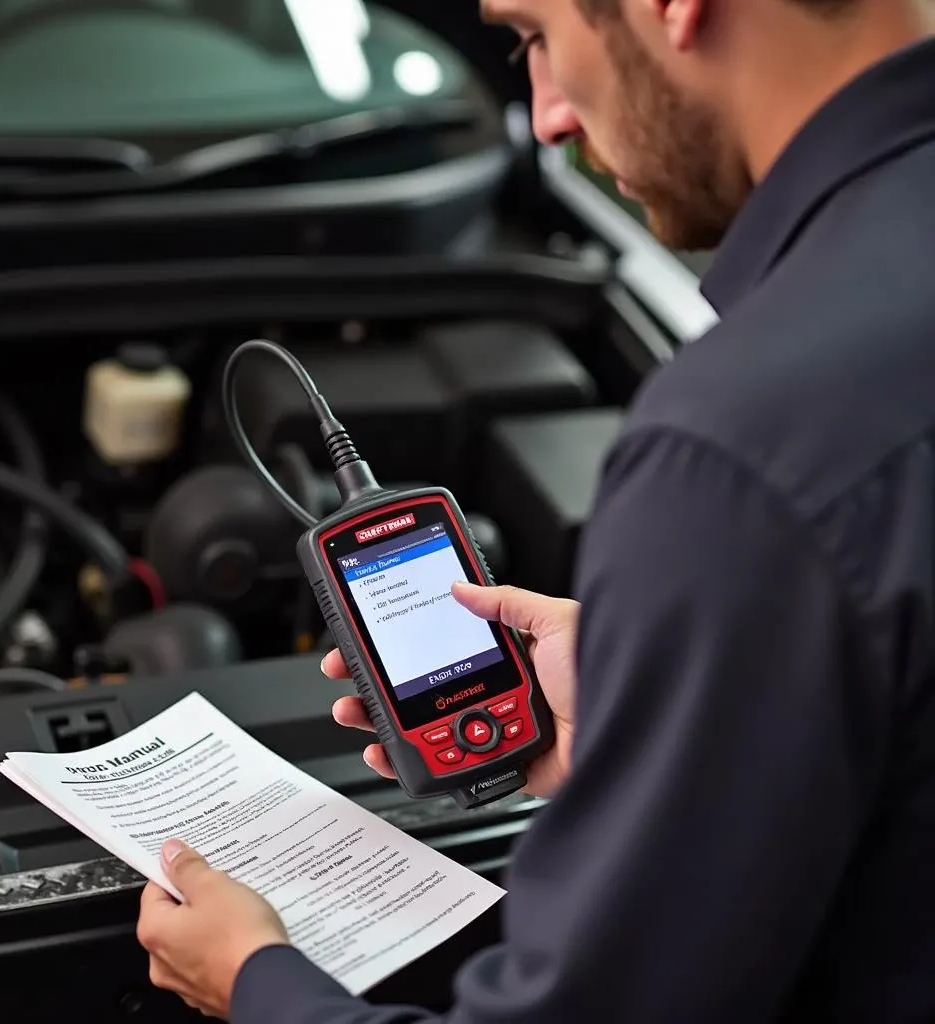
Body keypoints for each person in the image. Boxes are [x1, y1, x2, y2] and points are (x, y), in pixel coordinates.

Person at [135, 0, 935, 1020]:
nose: (546, 114)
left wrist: (257, 982)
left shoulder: (737, 453)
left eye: (535, 36)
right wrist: (678, 704)